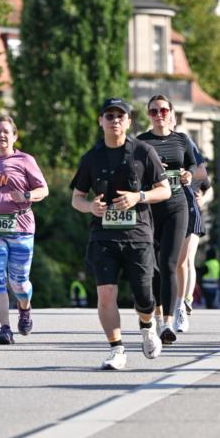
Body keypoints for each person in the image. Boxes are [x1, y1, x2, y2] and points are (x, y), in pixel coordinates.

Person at [70, 98, 170, 370]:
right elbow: (76, 198)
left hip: (138, 234)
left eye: (120, 116)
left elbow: (165, 190)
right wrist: (90, 206)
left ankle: (147, 326)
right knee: (105, 293)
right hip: (103, 236)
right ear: (100, 121)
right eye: (109, 115)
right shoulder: (91, 158)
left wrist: (139, 197)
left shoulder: (143, 152)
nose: (115, 120)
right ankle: (117, 349)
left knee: (144, 295)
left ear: (128, 121)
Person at [0, 115, 49, 345]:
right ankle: (5, 329)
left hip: (21, 225)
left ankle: (24, 307)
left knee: (19, 281)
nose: (1, 135)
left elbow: (43, 190)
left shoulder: (25, 160)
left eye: (6, 132)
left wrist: (25, 195)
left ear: (15, 136)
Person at [137, 95, 197, 343]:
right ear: (148, 115)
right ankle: (158, 317)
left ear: (171, 113)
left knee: (170, 263)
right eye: (154, 111)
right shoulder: (141, 142)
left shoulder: (182, 140)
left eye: (163, 110)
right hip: (150, 209)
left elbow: (195, 167)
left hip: (176, 206)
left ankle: (168, 324)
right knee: (152, 267)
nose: (159, 114)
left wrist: (188, 176)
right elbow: (133, 174)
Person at [172, 118, 211, 332]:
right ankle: (177, 299)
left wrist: (202, 196)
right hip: (169, 209)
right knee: (178, 261)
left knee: (186, 260)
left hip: (192, 210)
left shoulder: (187, 146)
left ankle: (186, 299)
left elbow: (206, 182)